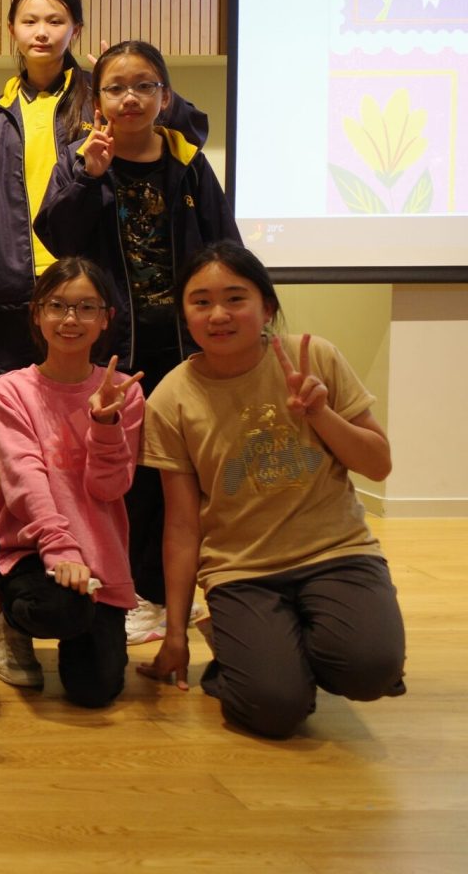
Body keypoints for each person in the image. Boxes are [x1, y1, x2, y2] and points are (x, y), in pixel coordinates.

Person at [138, 242, 405, 738]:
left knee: (371, 671)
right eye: (201, 302)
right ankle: (243, 654)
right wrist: (175, 634)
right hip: (242, 571)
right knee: (275, 709)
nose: (218, 315)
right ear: (184, 314)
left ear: (267, 308)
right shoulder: (170, 398)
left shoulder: (314, 357)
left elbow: (378, 464)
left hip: (338, 553)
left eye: (235, 298)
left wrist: (320, 413)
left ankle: (283, 648)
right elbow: (181, 525)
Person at [35, 39, 239, 645]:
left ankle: (173, 591)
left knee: (181, 473)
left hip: (182, 346)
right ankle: (131, 590)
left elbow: (223, 246)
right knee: (119, 472)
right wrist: (88, 178)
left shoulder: (188, 163)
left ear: (165, 97)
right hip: (112, 349)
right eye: (116, 87)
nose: (131, 98)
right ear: (97, 101)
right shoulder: (81, 160)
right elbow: (56, 238)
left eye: (144, 85)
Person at [0, 257, 141, 706]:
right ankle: (13, 622)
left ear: (106, 318)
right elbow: (24, 481)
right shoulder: (11, 390)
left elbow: (110, 489)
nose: (70, 319)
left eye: (86, 307)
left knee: (95, 690)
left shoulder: (125, 392)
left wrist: (105, 423)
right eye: (57, 305)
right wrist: (61, 550)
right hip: (34, 550)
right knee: (57, 610)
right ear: (36, 314)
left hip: (100, 559)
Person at [0, 0, 86, 377]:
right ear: (12, 29)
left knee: (90, 399)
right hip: (14, 289)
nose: (41, 32)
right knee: (17, 400)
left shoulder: (99, 102)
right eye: (30, 21)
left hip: (85, 284)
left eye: (55, 21)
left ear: (76, 30)